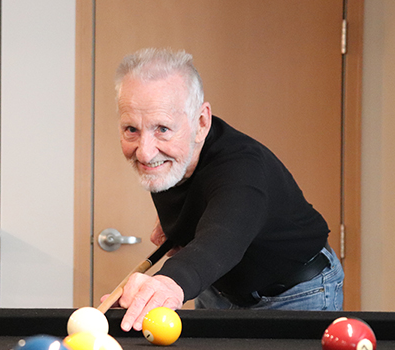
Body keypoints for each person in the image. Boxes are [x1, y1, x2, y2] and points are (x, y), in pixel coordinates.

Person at [111, 48, 344, 332]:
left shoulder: (243, 169)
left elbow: (223, 236)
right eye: (131, 129)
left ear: (201, 122)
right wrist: (183, 223)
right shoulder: (172, 156)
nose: (145, 153)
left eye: (162, 129)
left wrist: (167, 282)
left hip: (296, 292)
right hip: (217, 288)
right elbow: (205, 199)